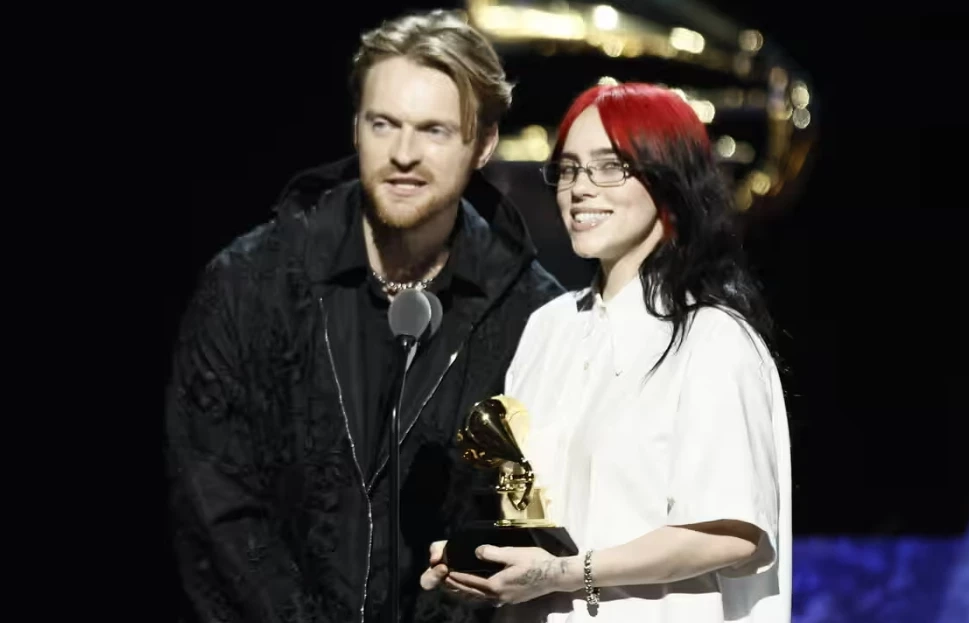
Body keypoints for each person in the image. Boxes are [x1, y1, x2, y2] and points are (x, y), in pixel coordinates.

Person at [163, 9, 564, 623]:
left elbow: (529, 521)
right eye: (384, 124)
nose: (403, 153)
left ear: (482, 144)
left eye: (433, 130)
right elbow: (215, 504)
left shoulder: (534, 316)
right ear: (356, 128)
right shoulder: (251, 282)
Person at [421, 82, 793, 622]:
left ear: (670, 181)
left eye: (609, 167)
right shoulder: (549, 328)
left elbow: (732, 534)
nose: (580, 188)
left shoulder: (712, 339)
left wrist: (569, 573)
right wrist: (482, 564)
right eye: (568, 169)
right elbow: (531, 513)